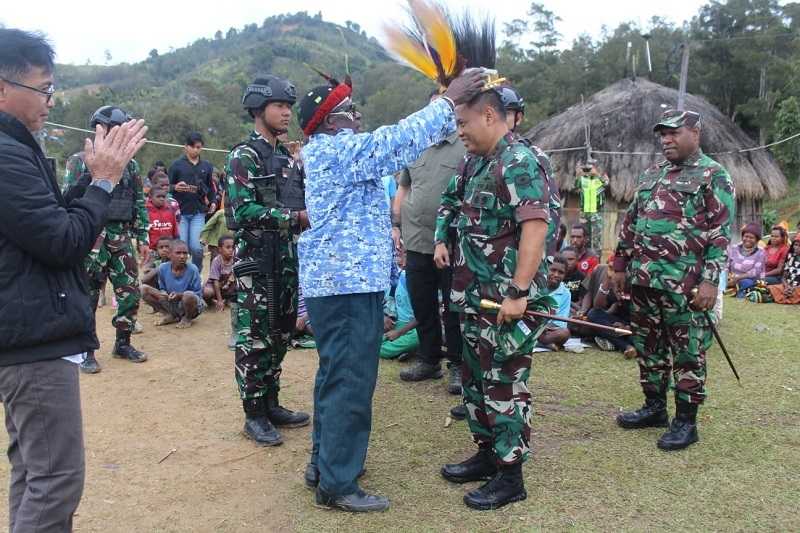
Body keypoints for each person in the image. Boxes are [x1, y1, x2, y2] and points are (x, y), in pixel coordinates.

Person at [297, 67, 487, 512]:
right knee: (350, 381)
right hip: (346, 287)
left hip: (340, 285)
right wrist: (449, 100)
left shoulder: (330, 151)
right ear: (327, 122)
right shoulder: (338, 150)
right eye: (348, 111)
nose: (357, 115)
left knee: (334, 375)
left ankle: (325, 464)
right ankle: (337, 483)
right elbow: (396, 141)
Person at [0, 28, 147, 533]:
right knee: (57, 479)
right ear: (3, 88)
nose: (50, 99)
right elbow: (64, 241)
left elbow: (50, 221)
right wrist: (104, 181)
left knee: (35, 473)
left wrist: (91, 178)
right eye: (43, 88)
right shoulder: (5, 154)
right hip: (32, 342)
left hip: (29, 332)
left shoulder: (18, 148)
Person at [434, 88, 554, 511]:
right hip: (472, 298)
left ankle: (510, 476)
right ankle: (486, 453)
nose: (459, 131)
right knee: (473, 380)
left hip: (505, 302)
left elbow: (535, 229)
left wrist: (519, 292)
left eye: (463, 123)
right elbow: (453, 208)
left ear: (488, 115)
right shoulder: (475, 162)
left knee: (504, 383)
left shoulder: (520, 161)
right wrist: (440, 242)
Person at [611, 109, 735, 451]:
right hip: (644, 279)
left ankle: (686, 421)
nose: (666, 139)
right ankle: (654, 408)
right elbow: (632, 221)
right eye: (662, 134)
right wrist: (620, 263)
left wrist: (711, 282)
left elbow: (720, 234)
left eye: (673, 132)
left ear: (695, 132)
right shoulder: (653, 173)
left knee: (687, 352)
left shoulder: (714, 175)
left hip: (686, 286)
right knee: (649, 347)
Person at [225, 75, 310, 448]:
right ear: (259, 110)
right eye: (280, 106)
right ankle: (253, 413)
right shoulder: (243, 155)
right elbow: (243, 210)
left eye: (289, 106)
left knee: (280, 332)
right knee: (254, 337)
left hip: (285, 259)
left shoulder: (286, 158)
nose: (287, 112)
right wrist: (292, 219)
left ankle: (271, 402)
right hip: (256, 261)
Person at [63, 105, 150, 374]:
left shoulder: (131, 164)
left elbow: (138, 200)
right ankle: (87, 351)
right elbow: (69, 199)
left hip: (120, 235)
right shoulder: (79, 161)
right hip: (92, 237)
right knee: (88, 295)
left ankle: (123, 343)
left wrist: (143, 234)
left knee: (129, 292)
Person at [392, 90, 465, 393]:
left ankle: (458, 366)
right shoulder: (416, 145)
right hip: (415, 240)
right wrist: (396, 226)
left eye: (444, 107)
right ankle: (429, 359)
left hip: (450, 242)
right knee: (422, 302)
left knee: (453, 305)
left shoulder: (464, 144)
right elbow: (403, 189)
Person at [497, 85, 562, 258]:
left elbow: (552, 210)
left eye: (507, 113)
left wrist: (543, 257)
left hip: (519, 258)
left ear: (518, 118)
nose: (501, 118)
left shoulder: (533, 156)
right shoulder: (475, 156)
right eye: (496, 112)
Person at [169, 132, 215, 271]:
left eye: (199, 147)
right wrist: (174, 187)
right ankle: (180, 274)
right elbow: (165, 186)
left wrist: (212, 202)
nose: (196, 150)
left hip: (198, 212)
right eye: (193, 147)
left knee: (197, 248)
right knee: (182, 248)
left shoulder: (207, 166)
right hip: (180, 213)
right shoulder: (176, 165)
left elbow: (211, 187)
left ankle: (195, 274)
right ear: (186, 147)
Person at [141, 240, 205, 328]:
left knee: (188, 295)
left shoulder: (192, 269)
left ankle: (187, 318)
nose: (182, 256)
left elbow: (197, 294)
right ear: (169, 255)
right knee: (144, 289)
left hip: (190, 305)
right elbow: (162, 287)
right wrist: (163, 293)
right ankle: (168, 314)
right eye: (178, 253)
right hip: (172, 301)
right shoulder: (163, 268)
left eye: (185, 253)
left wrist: (180, 295)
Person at [586, 266, 636, 359]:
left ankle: (624, 346)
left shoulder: (638, 281)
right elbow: (598, 306)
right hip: (619, 324)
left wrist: (628, 328)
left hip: (638, 326)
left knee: (635, 338)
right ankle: (627, 346)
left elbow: (647, 315)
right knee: (593, 314)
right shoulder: (614, 281)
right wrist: (607, 280)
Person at [380, 252, 420, 360]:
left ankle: (378, 350)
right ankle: (408, 350)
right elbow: (376, 305)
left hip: (411, 327)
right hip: (392, 325)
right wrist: (382, 317)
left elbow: (425, 314)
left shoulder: (416, 280)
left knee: (418, 336)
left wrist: (399, 332)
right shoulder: (384, 279)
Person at [574, 160, 609, 251]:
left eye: (591, 167)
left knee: (596, 240)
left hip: (596, 214)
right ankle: (584, 259)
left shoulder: (600, 178)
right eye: (587, 168)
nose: (589, 170)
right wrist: (579, 174)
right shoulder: (583, 179)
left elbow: (606, 183)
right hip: (584, 213)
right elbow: (576, 185)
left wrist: (596, 174)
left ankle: (596, 260)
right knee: (584, 239)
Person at [538, 255, 571, 350]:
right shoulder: (536, 282)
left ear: (565, 275)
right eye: (553, 270)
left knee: (565, 333)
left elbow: (559, 323)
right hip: (528, 323)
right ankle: (543, 343)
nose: (556, 274)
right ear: (546, 269)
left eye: (561, 272)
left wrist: (543, 327)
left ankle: (535, 341)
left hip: (546, 330)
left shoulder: (566, 293)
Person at [726, 223, 766, 298]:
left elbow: (755, 272)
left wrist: (737, 278)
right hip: (732, 278)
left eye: (751, 238)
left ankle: (740, 292)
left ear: (757, 240)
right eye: (746, 236)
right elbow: (727, 264)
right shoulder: (735, 248)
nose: (748, 239)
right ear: (742, 237)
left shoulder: (761, 252)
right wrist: (727, 277)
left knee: (747, 283)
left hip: (751, 280)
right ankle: (731, 288)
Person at [203, 235, 236, 310]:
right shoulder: (216, 261)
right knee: (207, 292)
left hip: (228, 286)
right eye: (228, 247)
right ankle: (210, 302)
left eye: (232, 247)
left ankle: (229, 299)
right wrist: (220, 300)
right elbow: (215, 281)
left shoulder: (235, 259)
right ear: (220, 249)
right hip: (216, 287)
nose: (231, 250)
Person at [766, 236, 800, 304]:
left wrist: (794, 288)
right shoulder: (790, 257)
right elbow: (784, 277)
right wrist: (787, 286)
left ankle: (787, 297)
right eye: (796, 245)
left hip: (798, 288)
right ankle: (789, 296)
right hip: (787, 286)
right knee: (771, 288)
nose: (797, 247)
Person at [146, 185, 179, 250]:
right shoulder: (146, 213)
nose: (161, 199)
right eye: (158, 196)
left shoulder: (170, 211)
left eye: (163, 197)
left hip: (169, 249)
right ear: (150, 197)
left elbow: (175, 232)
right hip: (152, 249)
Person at [560, 247, 587, 311]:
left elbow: (582, 301)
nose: (567, 262)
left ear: (577, 260)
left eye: (571, 259)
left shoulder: (582, 277)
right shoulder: (555, 275)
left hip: (574, 309)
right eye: (564, 259)